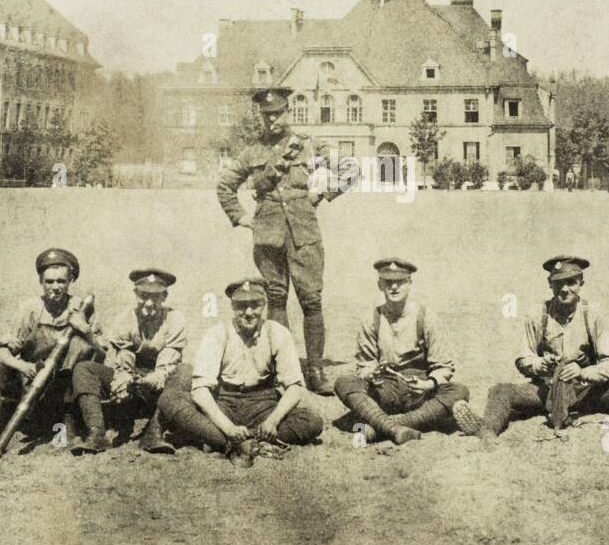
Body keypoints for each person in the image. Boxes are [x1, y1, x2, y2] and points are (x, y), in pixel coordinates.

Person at [466, 254, 609, 445]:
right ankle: (487, 431)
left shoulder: (594, 314)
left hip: (589, 392)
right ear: (550, 284)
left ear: (581, 284)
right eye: (558, 283)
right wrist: (539, 364)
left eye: (571, 283)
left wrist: (582, 372)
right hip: (547, 391)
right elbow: (522, 357)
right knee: (500, 391)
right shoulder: (537, 314)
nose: (565, 289)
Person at [216, 87, 347, 395]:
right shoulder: (252, 151)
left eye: (277, 113)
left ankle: (315, 371)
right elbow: (224, 185)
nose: (272, 119)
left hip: (304, 233)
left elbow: (350, 170)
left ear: (288, 112)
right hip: (268, 236)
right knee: (275, 298)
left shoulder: (309, 145)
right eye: (267, 115)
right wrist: (242, 217)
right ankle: (284, 371)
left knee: (311, 299)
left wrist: (323, 194)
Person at [0, 248, 103, 455]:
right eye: (49, 282)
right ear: (41, 282)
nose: (55, 288)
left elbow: (101, 355)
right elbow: (3, 353)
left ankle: (70, 425)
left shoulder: (83, 308)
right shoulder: (29, 309)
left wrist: (85, 330)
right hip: (29, 380)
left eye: (61, 281)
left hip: (63, 387)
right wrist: (23, 366)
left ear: (70, 281)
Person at [157, 278, 323, 466]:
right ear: (232, 306)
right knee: (169, 400)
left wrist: (272, 422)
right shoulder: (217, 334)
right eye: (241, 306)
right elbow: (200, 390)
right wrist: (228, 428)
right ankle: (240, 441)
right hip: (224, 403)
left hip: (263, 405)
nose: (249, 312)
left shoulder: (277, 332)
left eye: (255, 305)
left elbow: (294, 387)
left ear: (264, 304)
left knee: (312, 422)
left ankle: (220, 440)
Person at [333, 258, 478, 445]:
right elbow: (365, 364)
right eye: (388, 282)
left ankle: (384, 426)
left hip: (417, 393)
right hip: (383, 390)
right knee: (343, 382)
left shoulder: (426, 317)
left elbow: (443, 366)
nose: (394, 287)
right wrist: (371, 374)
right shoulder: (370, 319)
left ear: (409, 284)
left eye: (400, 282)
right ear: (380, 285)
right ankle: (401, 427)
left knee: (459, 391)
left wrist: (428, 384)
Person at [68, 268, 187, 454]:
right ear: (135, 294)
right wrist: (123, 378)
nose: (148, 303)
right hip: (130, 380)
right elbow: (123, 356)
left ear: (165, 296)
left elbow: (167, 363)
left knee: (184, 371)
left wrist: (152, 379)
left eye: (155, 297)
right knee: (84, 368)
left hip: (158, 383)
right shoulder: (124, 319)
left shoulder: (175, 319)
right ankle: (96, 433)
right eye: (143, 296)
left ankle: (154, 433)